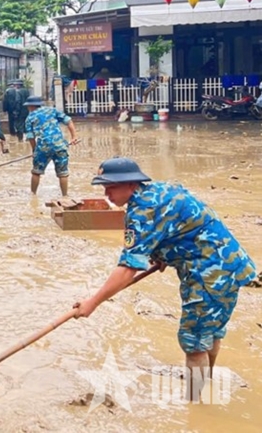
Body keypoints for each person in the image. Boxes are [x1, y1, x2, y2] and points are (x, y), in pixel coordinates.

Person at [74, 158, 257, 400]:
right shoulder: (160, 190)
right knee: (210, 332)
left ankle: (197, 405)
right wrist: (161, 255)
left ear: (131, 184)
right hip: (232, 264)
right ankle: (206, 387)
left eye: (112, 187)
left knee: (193, 342)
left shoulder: (141, 212)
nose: (107, 194)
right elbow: (181, 224)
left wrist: (92, 303)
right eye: (104, 187)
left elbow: (128, 268)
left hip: (208, 276)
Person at [23, 96, 77, 197]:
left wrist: (34, 150)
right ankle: (65, 195)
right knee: (63, 173)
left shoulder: (29, 118)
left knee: (36, 172)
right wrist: (74, 137)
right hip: (60, 145)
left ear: (30, 106)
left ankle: (33, 194)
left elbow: (30, 137)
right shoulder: (52, 110)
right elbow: (68, 121)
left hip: (43, 147)